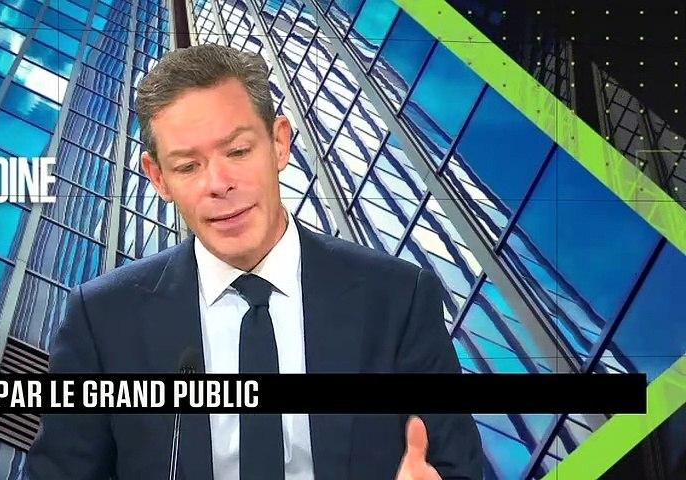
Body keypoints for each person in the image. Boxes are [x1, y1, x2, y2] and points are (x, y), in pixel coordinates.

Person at [27, 44, 484, 480]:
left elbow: (455, 468)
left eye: (238, 151)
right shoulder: (103, 319)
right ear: (159, 177)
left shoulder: (398, 298)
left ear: (280, 143)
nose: (219, 183)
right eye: (187, 167)